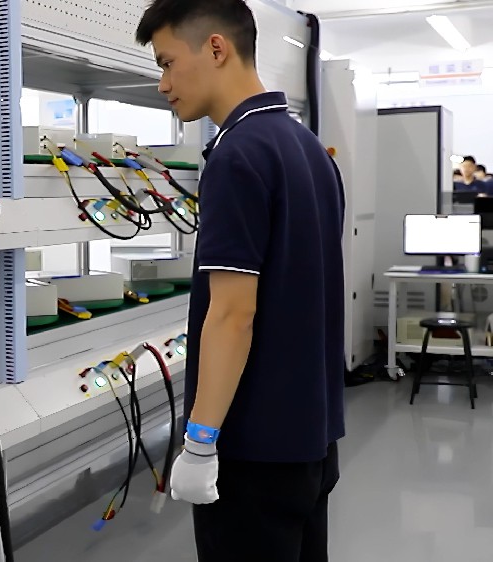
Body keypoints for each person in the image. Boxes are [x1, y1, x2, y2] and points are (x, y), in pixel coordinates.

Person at [135, 2, 345, 561]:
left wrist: (201, 442)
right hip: (310, 441)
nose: (163, 84)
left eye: (167, 63)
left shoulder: (237, 156)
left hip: (252, 454)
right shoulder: (310, 150)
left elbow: (233, 315)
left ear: (216, 49)